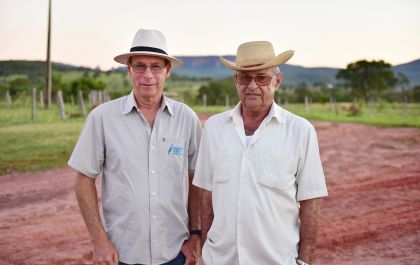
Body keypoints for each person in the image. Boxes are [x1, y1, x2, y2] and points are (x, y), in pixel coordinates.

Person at [69, 29, 202, 265]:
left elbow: (196, 180)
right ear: (129, 69)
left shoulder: (187, 119)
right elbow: (83, 179)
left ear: (167, 71)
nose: (147, 75)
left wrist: (195, 234)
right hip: (121, 254)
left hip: (174, 254)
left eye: (156, 67)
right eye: (139, 66)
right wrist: (99, 241)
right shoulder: (102, 118)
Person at [193, 41, 328, 265]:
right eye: (245, 77)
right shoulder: (214, 128)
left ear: (277, 81)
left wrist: (304, 261)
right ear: (236, 81)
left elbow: (311, 201)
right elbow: (206, 197)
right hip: (221, 260)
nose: (252, 85)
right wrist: (208, 251)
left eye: (262, 78)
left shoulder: (300, 131)